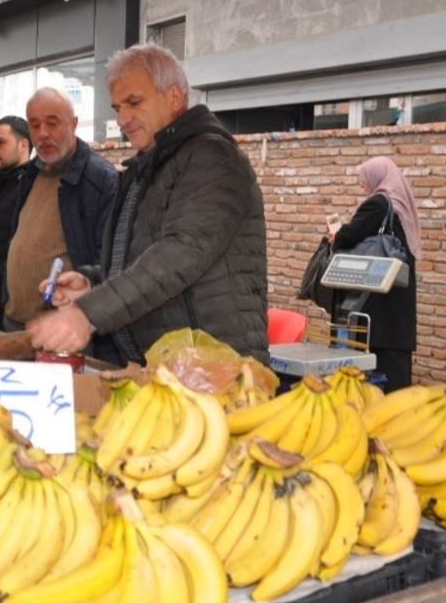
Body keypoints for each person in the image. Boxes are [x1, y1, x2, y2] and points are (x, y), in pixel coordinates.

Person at [28, 43, 268, 364]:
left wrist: (88, 313)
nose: (123, 119)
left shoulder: (212, 158)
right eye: (116, 107)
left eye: (134, 102)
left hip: (214, 369)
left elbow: (179, 253)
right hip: (166, 367)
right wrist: (92, 283)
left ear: (173, 97)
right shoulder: (146, 166)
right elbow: (139, 259)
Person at [3, 90, 118, 350]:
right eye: (34, 125)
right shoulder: (29, 174)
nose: (43, 133)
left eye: (52, 123)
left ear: (74, 124)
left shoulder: (101, 180)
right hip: (15, 323)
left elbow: (111, 262)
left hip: (63, 333)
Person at [330, 156, 420, 391]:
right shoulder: (400, 205)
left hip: (380, 303)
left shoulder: (378, 203)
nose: (363, 185)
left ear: (376, 177)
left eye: (364, 179)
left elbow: (350, 236)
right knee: (395, 369)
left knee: (378, 374)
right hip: (396, 303)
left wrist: (336, 235)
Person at [0, 116, 36, 329]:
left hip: (13, 306)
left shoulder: (31, 186)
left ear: (23, 145)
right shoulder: (2, 186)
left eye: (1, 143)